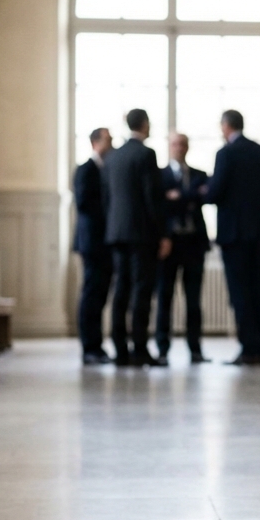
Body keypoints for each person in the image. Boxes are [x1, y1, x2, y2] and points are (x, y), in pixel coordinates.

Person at [203, 110, 260, 366]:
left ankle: (248, 349)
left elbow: (215, 193)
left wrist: (203, 189)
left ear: (226, 126)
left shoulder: (226, 154)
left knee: (241, 294)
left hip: (235, 237)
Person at [103, 109, 171, 367]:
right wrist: (163, 233)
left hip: (116, 232)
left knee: (120, 290)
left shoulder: (113, 157)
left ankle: (120, 349)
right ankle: (140, 348)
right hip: (141, 234)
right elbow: (151, 197)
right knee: (141, 292)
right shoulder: (146, 154)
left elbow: (107, 197)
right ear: (144, 124)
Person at [154, 133, 210, 364]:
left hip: (194, 243)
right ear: (169, 147)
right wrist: (189, 196)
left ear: (188, 148)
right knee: (164, 298)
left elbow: (205, 197)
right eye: (175, 144)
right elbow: (161, 204)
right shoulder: (160, 176)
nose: (179, 148)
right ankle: (163, 349)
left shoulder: (199, 175)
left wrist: (178, 196)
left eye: (182, 144)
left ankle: (195, 349)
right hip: (169, 244)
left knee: (194, 300)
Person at [74, 127, 114, 365]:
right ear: (95, 143)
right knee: (91, 295)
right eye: (107, 140)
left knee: (101, 296)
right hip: (92, 242)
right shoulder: (85, 170)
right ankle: (89, 347)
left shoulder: (106, 169)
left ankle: (97, 346)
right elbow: (84, 204)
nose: (111, 144)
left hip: (105, 243)